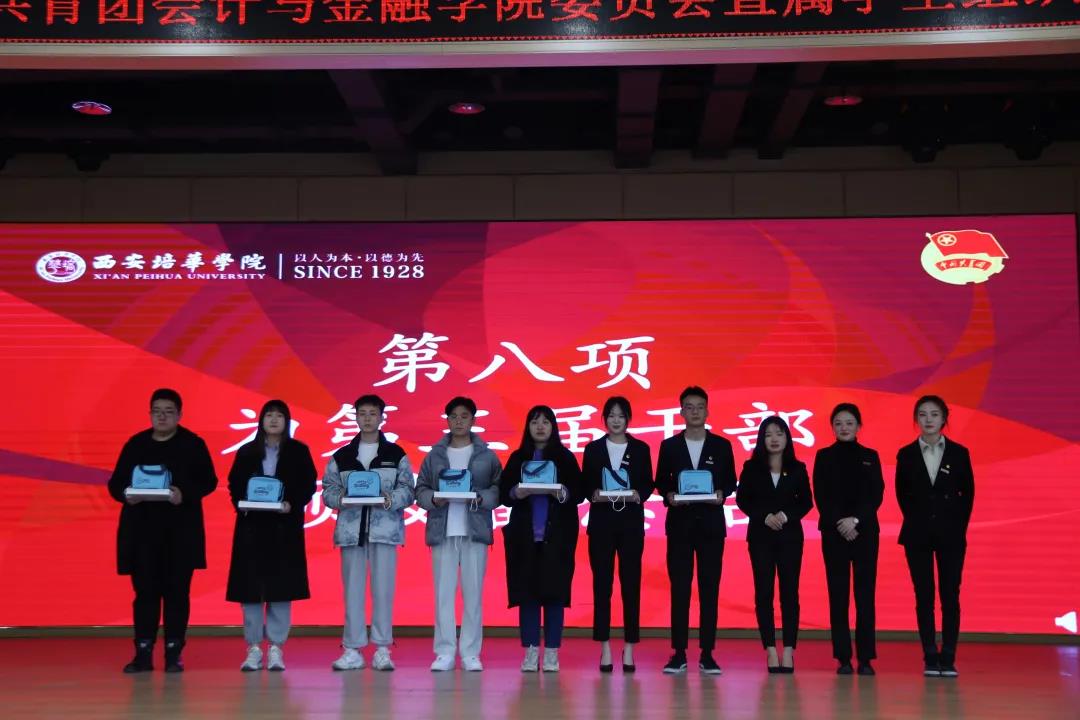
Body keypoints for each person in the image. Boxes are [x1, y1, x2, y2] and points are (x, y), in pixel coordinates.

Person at [106, 388, 218, 674]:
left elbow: (209, 481)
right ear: (150, 414)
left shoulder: (192, 444)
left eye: (168, 412)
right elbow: (115, 484)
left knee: (177, 594)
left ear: (179, 415)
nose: (162, 417)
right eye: (157, 411)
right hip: (141, 534)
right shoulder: (136, 444)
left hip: (180, 534)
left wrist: (184, 493)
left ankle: (173, 653)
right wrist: (126, 494)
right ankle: (142, 653)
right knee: (145, 594)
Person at [321, 394, 415, 672]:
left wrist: (389, 499)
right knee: (352, 592)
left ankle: (383, 649)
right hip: (351, 532)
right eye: (362, 413)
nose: (367, 418)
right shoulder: (342, 455)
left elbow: (408, 490)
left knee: (383, 592)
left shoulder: (395, 454)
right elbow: (328, 490)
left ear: (382, 417)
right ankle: (352, 649)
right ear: (356, 417)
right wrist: (342, 499)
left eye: (372, 413)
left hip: (384, 531)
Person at [225, 399, 317, 672]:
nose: (274, 420)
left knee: (281, 589)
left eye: (279, 415)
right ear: (261, 420)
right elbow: (234, 484)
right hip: (252, 527)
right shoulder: (247, 452)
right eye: (269, 415)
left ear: (287, 421)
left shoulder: (298, 451)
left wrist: (292, 503)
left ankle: (276, 648)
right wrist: (240, 504)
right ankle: (253, 648)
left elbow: (308, 484)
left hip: (283, 528)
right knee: (250, 591)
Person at [415, 396, 502, 672]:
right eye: (453, 416)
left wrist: (481, 497)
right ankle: (444, 652)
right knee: (443, 595)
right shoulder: (435, 455)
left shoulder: (486, 455)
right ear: (447, 420)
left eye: (464, 416)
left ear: (473, 420)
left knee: (473, 595)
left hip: (475, 531)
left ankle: (471, 653)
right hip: (443, 531)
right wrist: (434, 498)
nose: (459, 421)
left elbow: (498, 489)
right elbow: (420, 489)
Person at [654, 386, 737, 675]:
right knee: (680, 589)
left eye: (700, 407)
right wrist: (669, 495)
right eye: (689, 407)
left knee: (709, 589)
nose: (695, 412)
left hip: (711, 526)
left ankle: (707, 653)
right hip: (680, 525)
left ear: (707, 411)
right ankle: (678, 652)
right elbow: (661, 481)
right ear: (681, 412)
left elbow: (731, 481)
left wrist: (722, 493)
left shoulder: (722, 445)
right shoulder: (669, 446)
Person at [895, 395, 974, 678]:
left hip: (951, 535)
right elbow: (902, 494)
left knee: (950, 595)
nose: (928, 420)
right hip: (917, 535)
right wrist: (920, 520)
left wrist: (955, 526)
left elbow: (968, 495)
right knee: (924, 595)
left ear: (944, 419)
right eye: (923, 414)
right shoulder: (906, 454)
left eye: (934, 414)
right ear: (916, 419)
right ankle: (930, 655)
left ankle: (948, 656)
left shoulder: (959, 453)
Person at [500, 405, 583, 673]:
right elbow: (503, 493)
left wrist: (562, 492)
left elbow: (578, 492)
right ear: (528, 426)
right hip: (524, 537)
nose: (540, 426)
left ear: (553, 427)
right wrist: (517, 492)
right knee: (528, 596)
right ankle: (530, 651)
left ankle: (552, 653)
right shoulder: (518, 457)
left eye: (546, 422)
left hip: (557, 537)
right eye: (535, 421)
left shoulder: (565, 457)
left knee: (555, 595)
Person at [581, 396, 654, 673]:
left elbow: (648, 483)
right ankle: (605, 648)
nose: (615, 420)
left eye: (621, 416)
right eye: (611, 415)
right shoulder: (593, 449)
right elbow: (585, 484)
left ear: (628, 419)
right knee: (602, 586)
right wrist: (593, 493)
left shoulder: (641, 449)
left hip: (630, 525)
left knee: (631, 585)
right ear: (604, 419)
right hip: (601, 524)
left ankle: (630, 647)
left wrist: (638, 494)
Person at [736, 416, 813, 674]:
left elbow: (806, 502)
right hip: (761, 537)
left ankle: (789, 650)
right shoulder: (751, 467)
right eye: (768, 434)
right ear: (761, 439)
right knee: (764, 593)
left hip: (790, 538)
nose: (774, 439)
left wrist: (786, 516)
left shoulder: (798, 468)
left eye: (779, 433)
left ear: (787, 437)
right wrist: (764, 516)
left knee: (790, 593)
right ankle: (770, 649)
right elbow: (743, 499)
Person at [813, 403, 884, 676]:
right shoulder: (823, 456)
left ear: (858, 426)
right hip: (834, 534)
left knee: (865, 595)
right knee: (838, 595)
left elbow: (876, 494)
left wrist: (855, 520)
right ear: (832, 427)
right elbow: (821, 494)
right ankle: (843, 657)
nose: (844, 427)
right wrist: (840, 522)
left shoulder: (870, 456)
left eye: (849, 423)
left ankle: (865, 658)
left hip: (865, 532)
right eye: (838, 423)